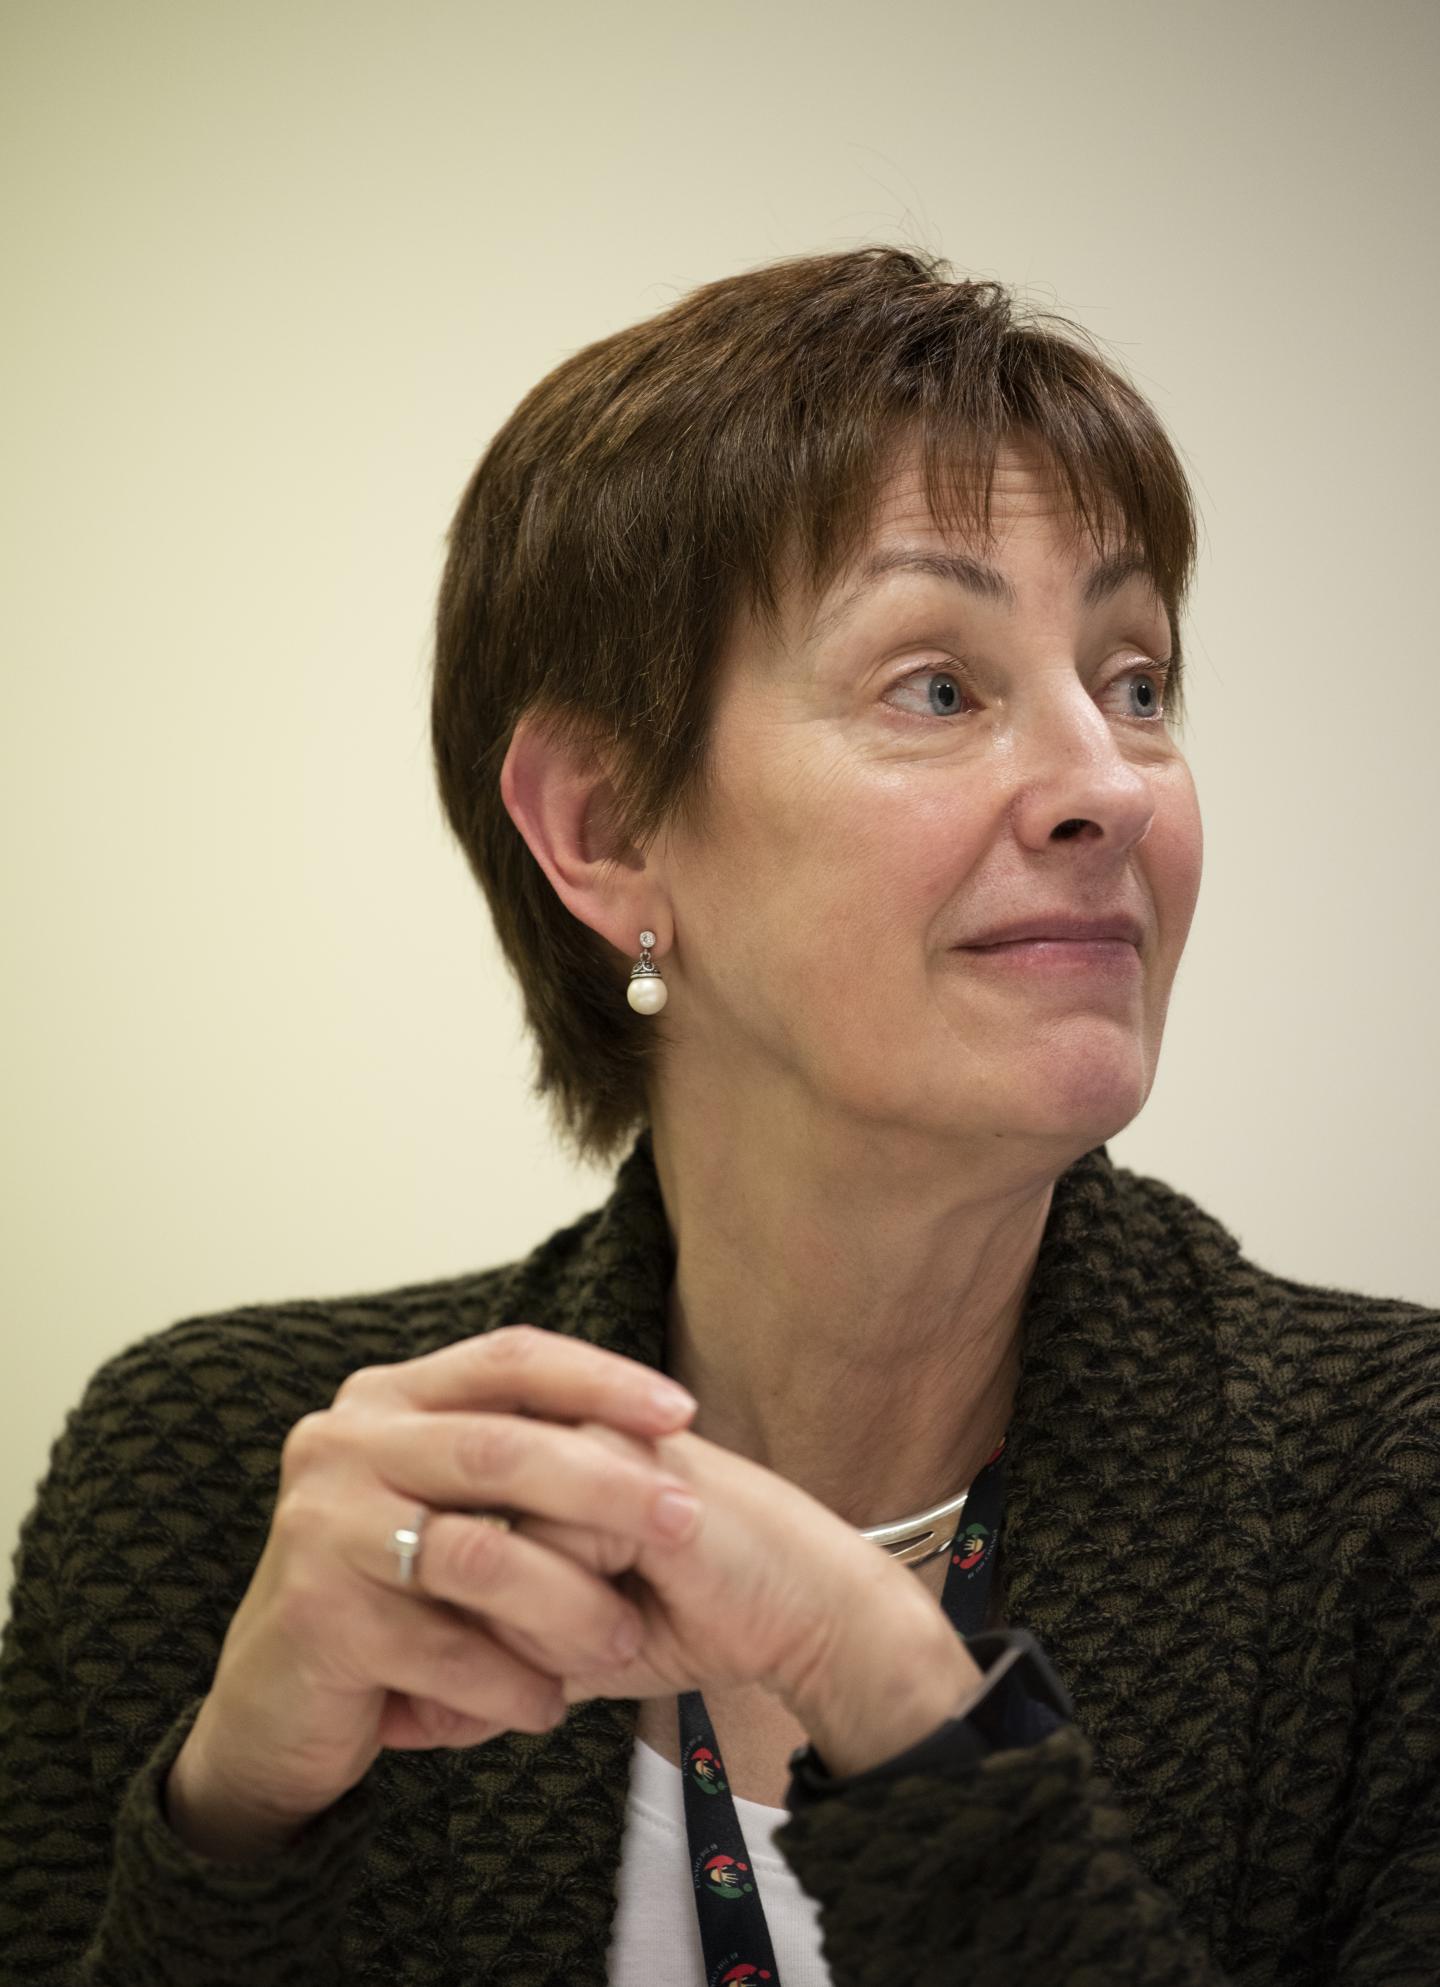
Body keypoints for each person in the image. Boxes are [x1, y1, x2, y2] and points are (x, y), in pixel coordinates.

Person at [1, 245, 1436, 1987]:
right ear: (605, 827)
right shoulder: (217, 1489)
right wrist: (234, 1834)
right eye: (939, 686)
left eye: (1136, 682)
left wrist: (884, 1690)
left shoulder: (1395, 1503)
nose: (1107, 787)